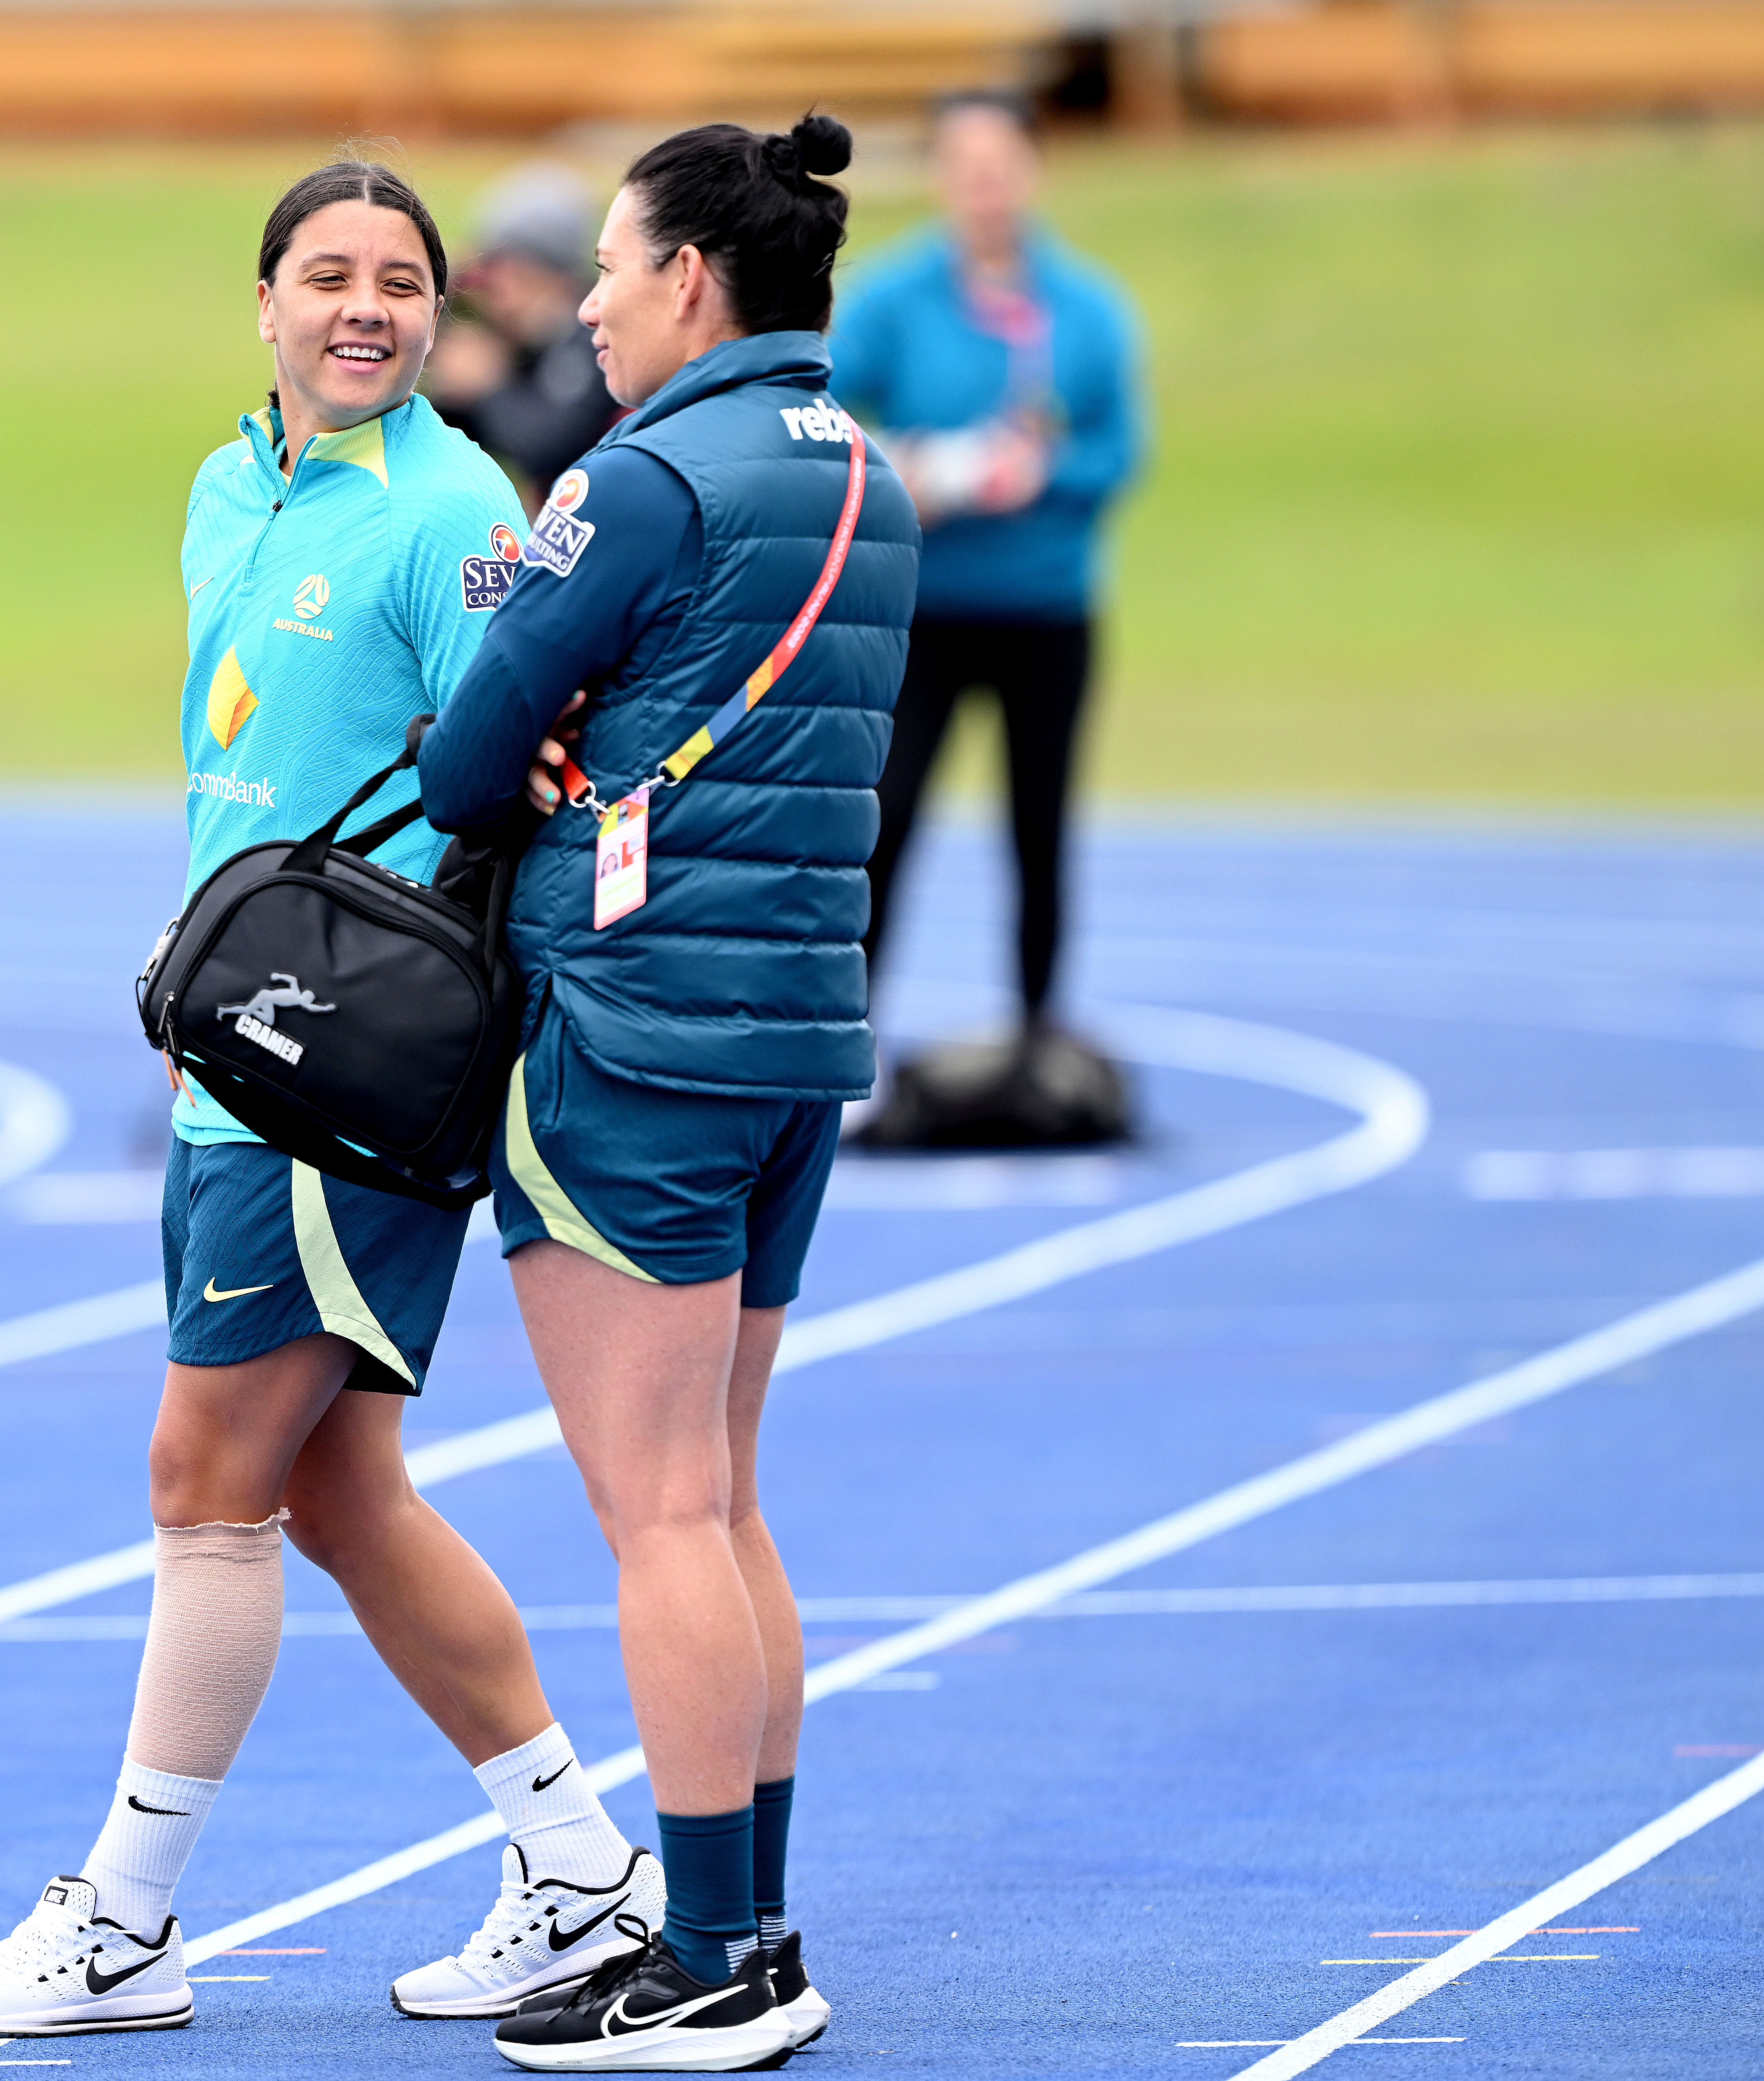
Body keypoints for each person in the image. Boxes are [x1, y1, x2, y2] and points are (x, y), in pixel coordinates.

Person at [0, 159, 660, 2043]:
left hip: (346, 1068)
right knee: (337, 1491)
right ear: (263, 303)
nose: (366, 305)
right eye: (328, 274)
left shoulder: (452, 506)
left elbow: (520, 761)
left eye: (399, 281)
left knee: (203, 1478)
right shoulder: (224, 483)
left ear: (435, 314)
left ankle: (129, 1914)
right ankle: (580, 1863)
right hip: (238, 1047)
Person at [416, 113, 919, 2072]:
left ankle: (715, 1958)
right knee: (718, 1501)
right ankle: (747, 1922)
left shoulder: (632, 475)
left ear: (684, 281)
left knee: (654, 1520)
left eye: (611, 270)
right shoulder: (864, 473)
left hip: (629, 1036)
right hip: (794, 1035)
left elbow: (469, 761)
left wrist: (518, 691)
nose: (593, 305)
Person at [831, 89, 1146, 1129]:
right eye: (964, 166)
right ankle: (842, 1047)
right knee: (887, 820)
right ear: (940, 177)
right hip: (923, 611)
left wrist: (1035, 472)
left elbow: (1115, 451)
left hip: (1047, 612)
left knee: (1040, 832)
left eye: (1001, 164)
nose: (985, 186)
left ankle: (1041, 1037)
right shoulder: (894, 296)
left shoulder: (1086, 308)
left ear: (1033, 171)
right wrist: (917, 467)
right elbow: (826, 412)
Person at [424, 162, 628, 508]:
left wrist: (487, 386)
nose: (493, 285)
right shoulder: (527, 338)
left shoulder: (594, 336)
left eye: (505, 268)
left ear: (548, 272)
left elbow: (547, 445)